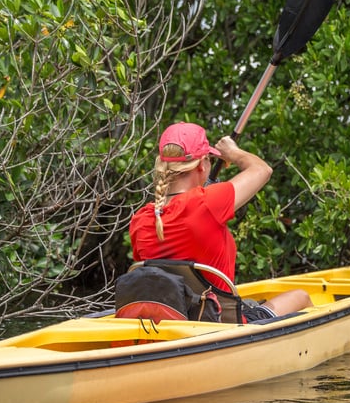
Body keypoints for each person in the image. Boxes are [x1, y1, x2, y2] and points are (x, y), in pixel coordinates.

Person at [129, 121, 312, 319]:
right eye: (208, 159)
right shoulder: (206, 203)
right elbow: (262, 170)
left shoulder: (141, 220)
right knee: (301, 297)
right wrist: (232, 152)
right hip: (221, 324)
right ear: (201, 164)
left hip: (172, 323)